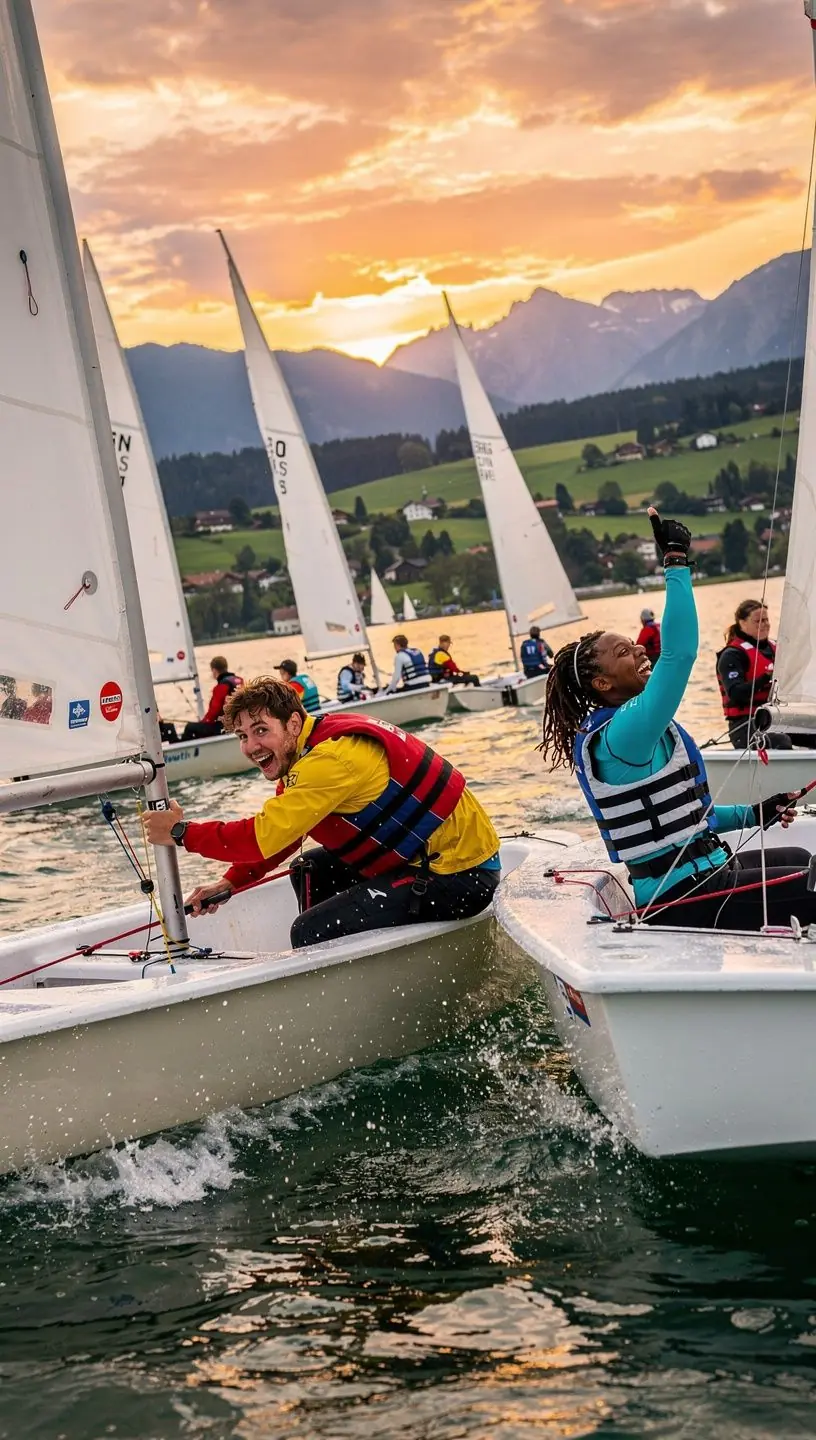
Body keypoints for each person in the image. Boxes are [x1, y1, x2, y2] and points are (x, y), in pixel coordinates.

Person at [539, 508, 812, 931]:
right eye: (624, 653)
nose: (640, 652)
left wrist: (755, 813)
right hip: (681, 897)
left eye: (634, 644)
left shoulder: (635, 728)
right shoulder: (622, 734)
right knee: (810, 883)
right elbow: (679, 655)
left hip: (704, 875)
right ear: (602, 683)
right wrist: (676, 562)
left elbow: (688, 816)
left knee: (799, 860)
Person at [143, 677, 501, 948]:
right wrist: (230, 883)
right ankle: (347, 957)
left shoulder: (329, 762)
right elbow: (284, 837)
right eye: (241, 736)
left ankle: (343, 982)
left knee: (309, 930)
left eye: (261, 731)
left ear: (294, 724)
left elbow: (258, 838)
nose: (251, 747)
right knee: (307, 869)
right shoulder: (310, 750)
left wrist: (180, 833)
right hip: (424, 859)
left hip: (459, 875)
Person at [716, 599, 792, 752]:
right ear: (742, 623)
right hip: (744, 726)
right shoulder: (732, 655)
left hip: (776, 720)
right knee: (781, 740)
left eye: (766, 620)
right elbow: (736, 694)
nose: (764, 624)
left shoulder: (777, 649)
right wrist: (765, 677)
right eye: (758, 621)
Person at [180, 657, 243, 741]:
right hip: (240, 722)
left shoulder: (221, 687)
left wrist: (202, 722)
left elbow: (214, 712)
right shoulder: (239, 681)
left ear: (214, 670)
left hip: (223, 727)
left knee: (190, 727)